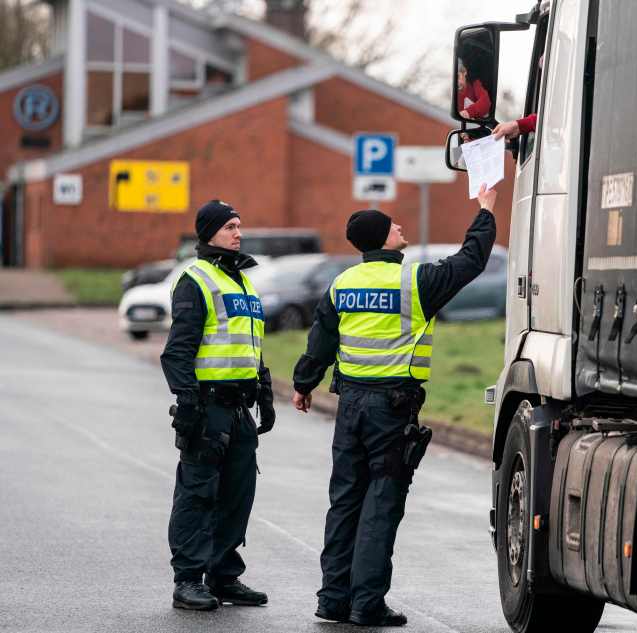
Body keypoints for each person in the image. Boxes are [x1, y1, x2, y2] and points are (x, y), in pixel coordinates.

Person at [293, 185, 499, 627]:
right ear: (381, 239)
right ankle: (366, 603)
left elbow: (321, 340)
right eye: (393, 226)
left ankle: (332, 600)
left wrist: (302, 384)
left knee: (345, 500)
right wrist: (486, 211)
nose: (400, 227)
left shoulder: (342, 284)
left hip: (348, 405)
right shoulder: (415, 282)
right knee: (381, 503)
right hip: (391, 407)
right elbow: (471, 261)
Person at [161, 200, 275, 611]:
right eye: (229, 226)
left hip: (239, 407)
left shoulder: (242, 281)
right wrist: (187, 403)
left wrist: (263, 389)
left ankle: (224, 575)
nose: (237, 233)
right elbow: (177, 353)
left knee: (237, 495)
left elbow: (249, 344)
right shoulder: (197, 279)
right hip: (208, 408)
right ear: (208, 232)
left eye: (239, 226)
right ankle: (188, 579)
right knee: (198, 494)